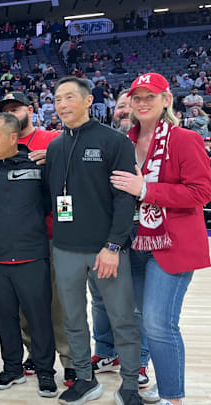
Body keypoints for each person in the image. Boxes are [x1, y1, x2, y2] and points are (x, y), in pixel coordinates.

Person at [110, 72, 211, 405]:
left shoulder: (185, 139)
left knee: (158, 321)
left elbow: (201, 192)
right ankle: (145, 380)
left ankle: (173, 397)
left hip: (172, 242)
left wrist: (147, 190)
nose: (142, 103)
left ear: (166, 100)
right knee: (142, 318)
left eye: (149, 96)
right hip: (134, 240)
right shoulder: (125, 142)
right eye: (136, 97)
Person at [46, 76, 142, 405]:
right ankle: (85, 379)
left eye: (69, 97)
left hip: (107, 249)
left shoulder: (114, 142)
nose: (62, 105)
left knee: (122, 319)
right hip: (66, 249)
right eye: (58, 99)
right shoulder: (55, 146)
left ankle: (130, 383)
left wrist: (114, 245)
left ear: (88, 101)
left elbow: (124, 199)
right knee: (73, 319)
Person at [0, 92, 75, 385]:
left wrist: (52, 162)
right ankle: (34, 355)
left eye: (16, 107)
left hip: (54, 237)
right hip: (19, 242)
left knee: (57, 306)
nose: (11, 112)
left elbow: (74, 177)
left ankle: (70, 361)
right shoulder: (0, 148)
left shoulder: (54, 140)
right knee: (26, 309)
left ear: (30, 109)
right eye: (5, 109)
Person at [0, 113, 57, 398]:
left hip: (32, 257)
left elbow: (49, 204)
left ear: (13, 138)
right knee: (5, 318)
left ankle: (46, 371)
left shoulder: (38, 166)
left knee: (39, 319)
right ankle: (12, 368)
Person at [86, 90, 153, 391]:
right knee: (100, 298)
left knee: (137, 303)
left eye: (131, 106)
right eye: (121, 106)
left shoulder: (154, 143)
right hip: (104, 230)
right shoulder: (105, 142)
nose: (125, 111)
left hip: (143, 231)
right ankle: (107, 352)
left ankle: (138, 360)